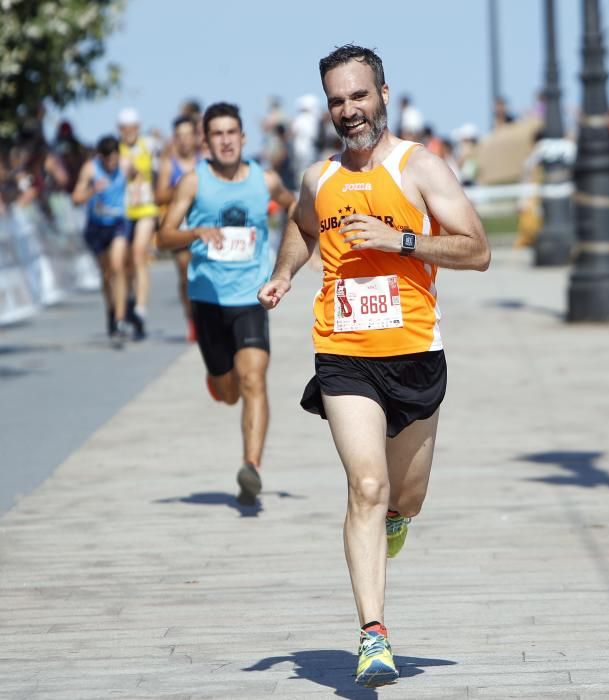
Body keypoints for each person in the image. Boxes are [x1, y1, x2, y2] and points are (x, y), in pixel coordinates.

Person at [258, 44, 490, 688]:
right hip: (344, 351)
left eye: (359, 95)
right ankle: (373, 634)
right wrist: (282, 276)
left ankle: (396, 521)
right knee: (366, 486)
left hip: (415, 353)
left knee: (404, 497)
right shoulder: (319, 178)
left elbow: (477, 251)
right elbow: (305, 228)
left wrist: (403, 241)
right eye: (338, 100)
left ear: (383, 93)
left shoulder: (422, 168)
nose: (349, 109)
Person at [157, 102, 295, 504]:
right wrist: (195, 231)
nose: (226, 140)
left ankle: (250, 468)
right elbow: (162, 237)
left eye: (231, 132)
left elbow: (293, 206)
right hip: (207, 298)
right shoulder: (193, 183)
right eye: (216, 134)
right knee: (231, 390)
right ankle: (219, 382)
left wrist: (300, 236)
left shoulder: (264, 180)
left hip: (251, 295)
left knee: (254, 379)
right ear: (206, 141)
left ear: (243, 137)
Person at [71, 135, 130, 347]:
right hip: (96, 227)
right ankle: (111, 309)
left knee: (118, 266)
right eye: (108, 161)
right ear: (101, 158)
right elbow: (76, 198)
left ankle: (121, 319)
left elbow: (139, 176)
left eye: (115, 159)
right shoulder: (90, 169)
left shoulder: (125, 165)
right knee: (106, 274)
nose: (112, 164)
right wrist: (92, 190)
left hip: (117, 223)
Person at [155, 115, 202, 341]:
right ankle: (191, 319)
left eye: (187, 135)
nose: (184, 141)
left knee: (202, 274)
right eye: (179, 136)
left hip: (204, 225)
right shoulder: (168, 163)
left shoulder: (205, 160)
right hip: (179, 226)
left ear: (195, 137)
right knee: (184, 275)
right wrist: (184, 189)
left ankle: (206, 317)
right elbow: (159, 194)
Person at [118, 107, 159, 340]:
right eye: (124, 128)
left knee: (138, 253)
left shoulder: (148, 145)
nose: (129, 132)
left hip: (145, 208)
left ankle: (141, 308)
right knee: (124, 264)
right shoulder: (117, 149)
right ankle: (129, 300)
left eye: (132, 128)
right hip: (124, 211)